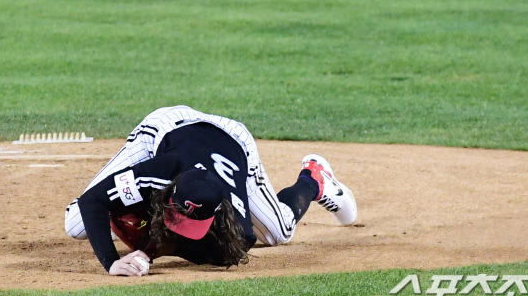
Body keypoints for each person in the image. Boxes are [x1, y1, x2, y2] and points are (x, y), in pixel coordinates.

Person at [64, 106, 357, 276]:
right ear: (168, 195)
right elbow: (93, 201)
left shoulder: (239, 229)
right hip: (166, 128)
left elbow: (222, 254)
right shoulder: (159, 172)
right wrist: (112, 263)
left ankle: (314, 181)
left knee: (278, 233)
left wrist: (153, 249)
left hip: (232, 140)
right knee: (76, 223)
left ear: (220, 212)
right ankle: (135, 211)